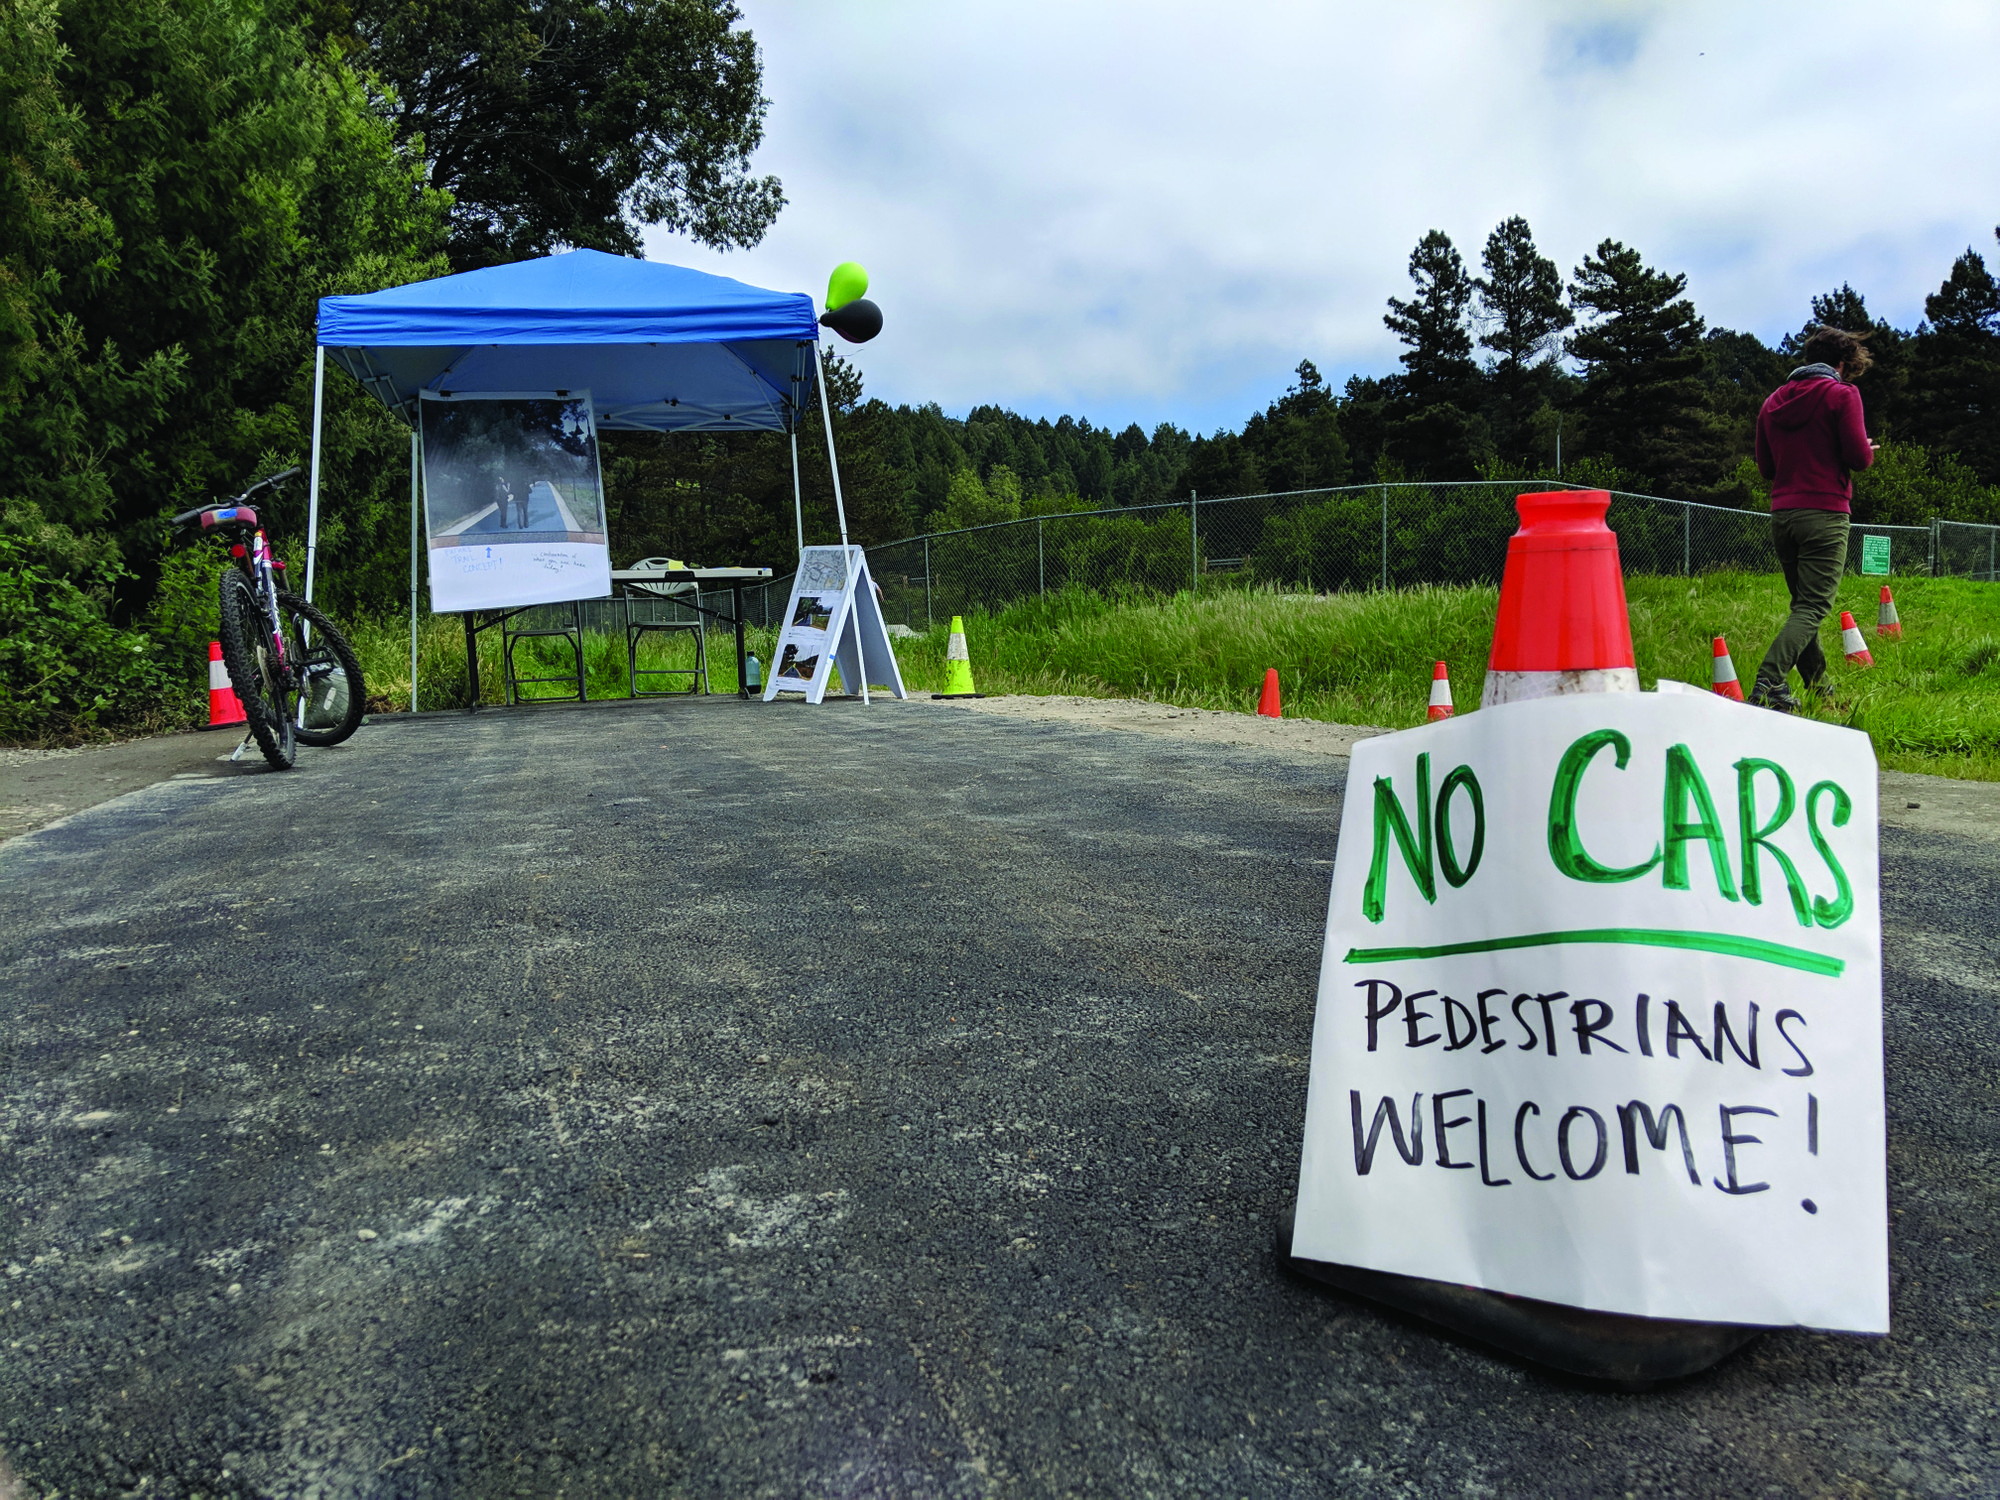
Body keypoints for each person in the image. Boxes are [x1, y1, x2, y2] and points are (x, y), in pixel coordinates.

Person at [1748, 325, 1878, 712]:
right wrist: (1866, 449)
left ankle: (1820, 690)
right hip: (1824, 512)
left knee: (1802, 606)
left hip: (1782, 514)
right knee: (1813, 607)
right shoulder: (1842, 394)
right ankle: (1769, 682)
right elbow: (1859, 458)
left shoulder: (1772, 402)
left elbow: (1766, 468)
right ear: (1841, 363)